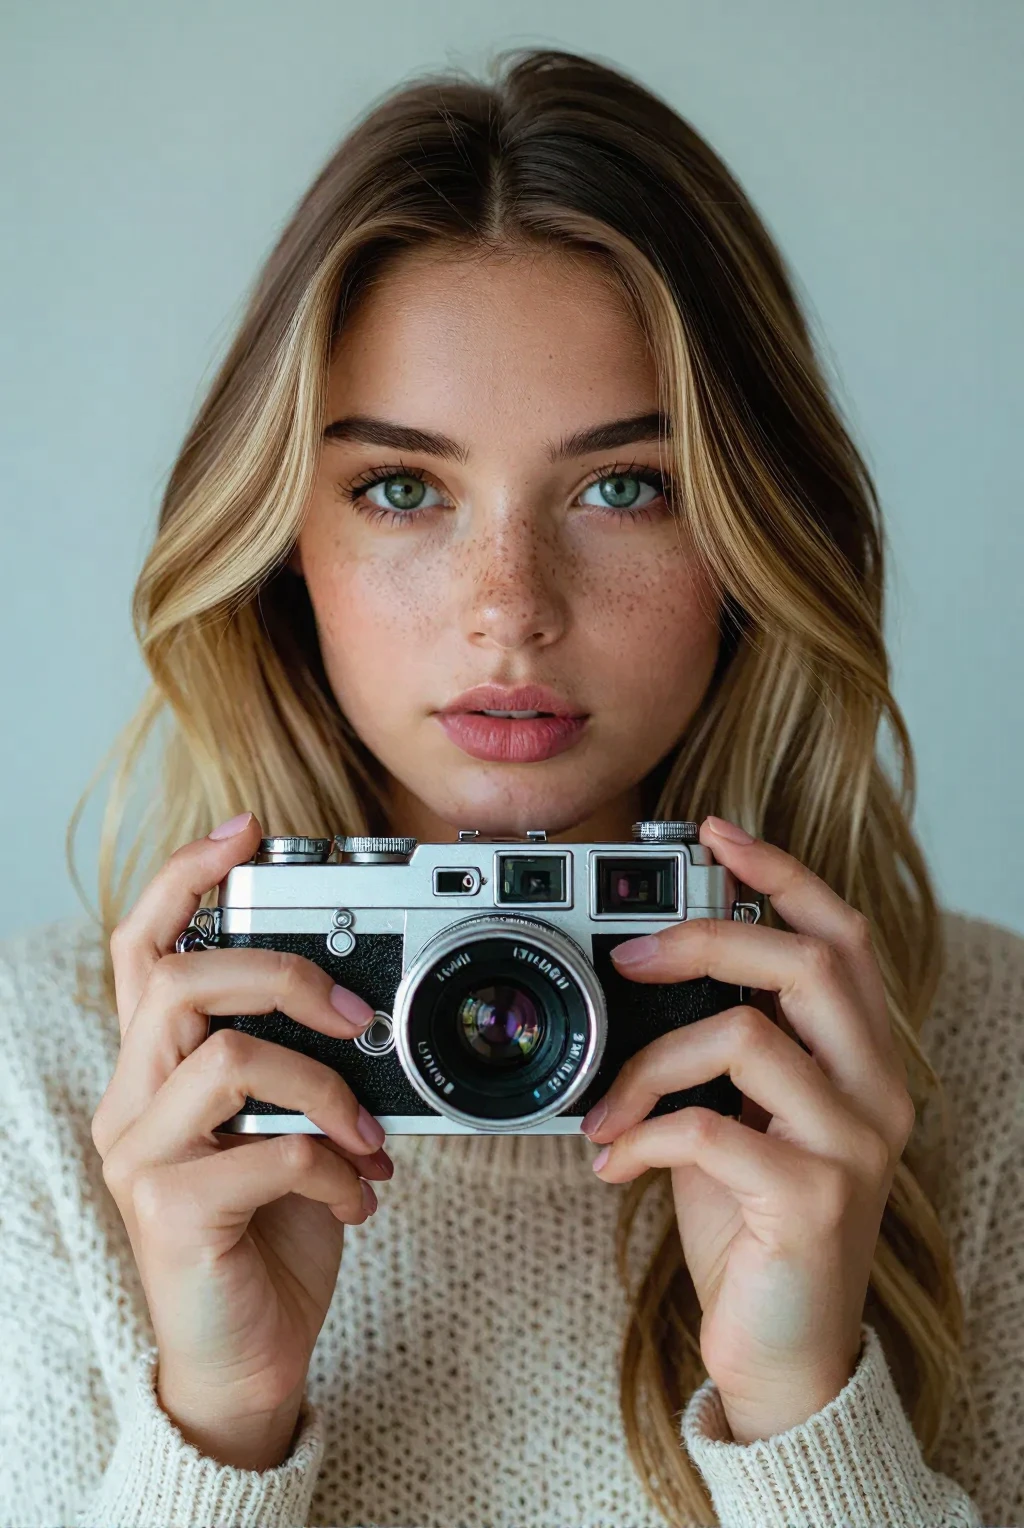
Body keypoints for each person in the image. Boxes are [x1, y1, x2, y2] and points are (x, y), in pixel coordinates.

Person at [0, 45, 1020, 1528]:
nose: (509, 609)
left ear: (751, 534)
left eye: (624, 487)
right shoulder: (60, 1078)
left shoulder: (975, 1059)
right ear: (287, 545)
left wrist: (807, 1417)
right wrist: (213, 1433)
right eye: (402, 488)